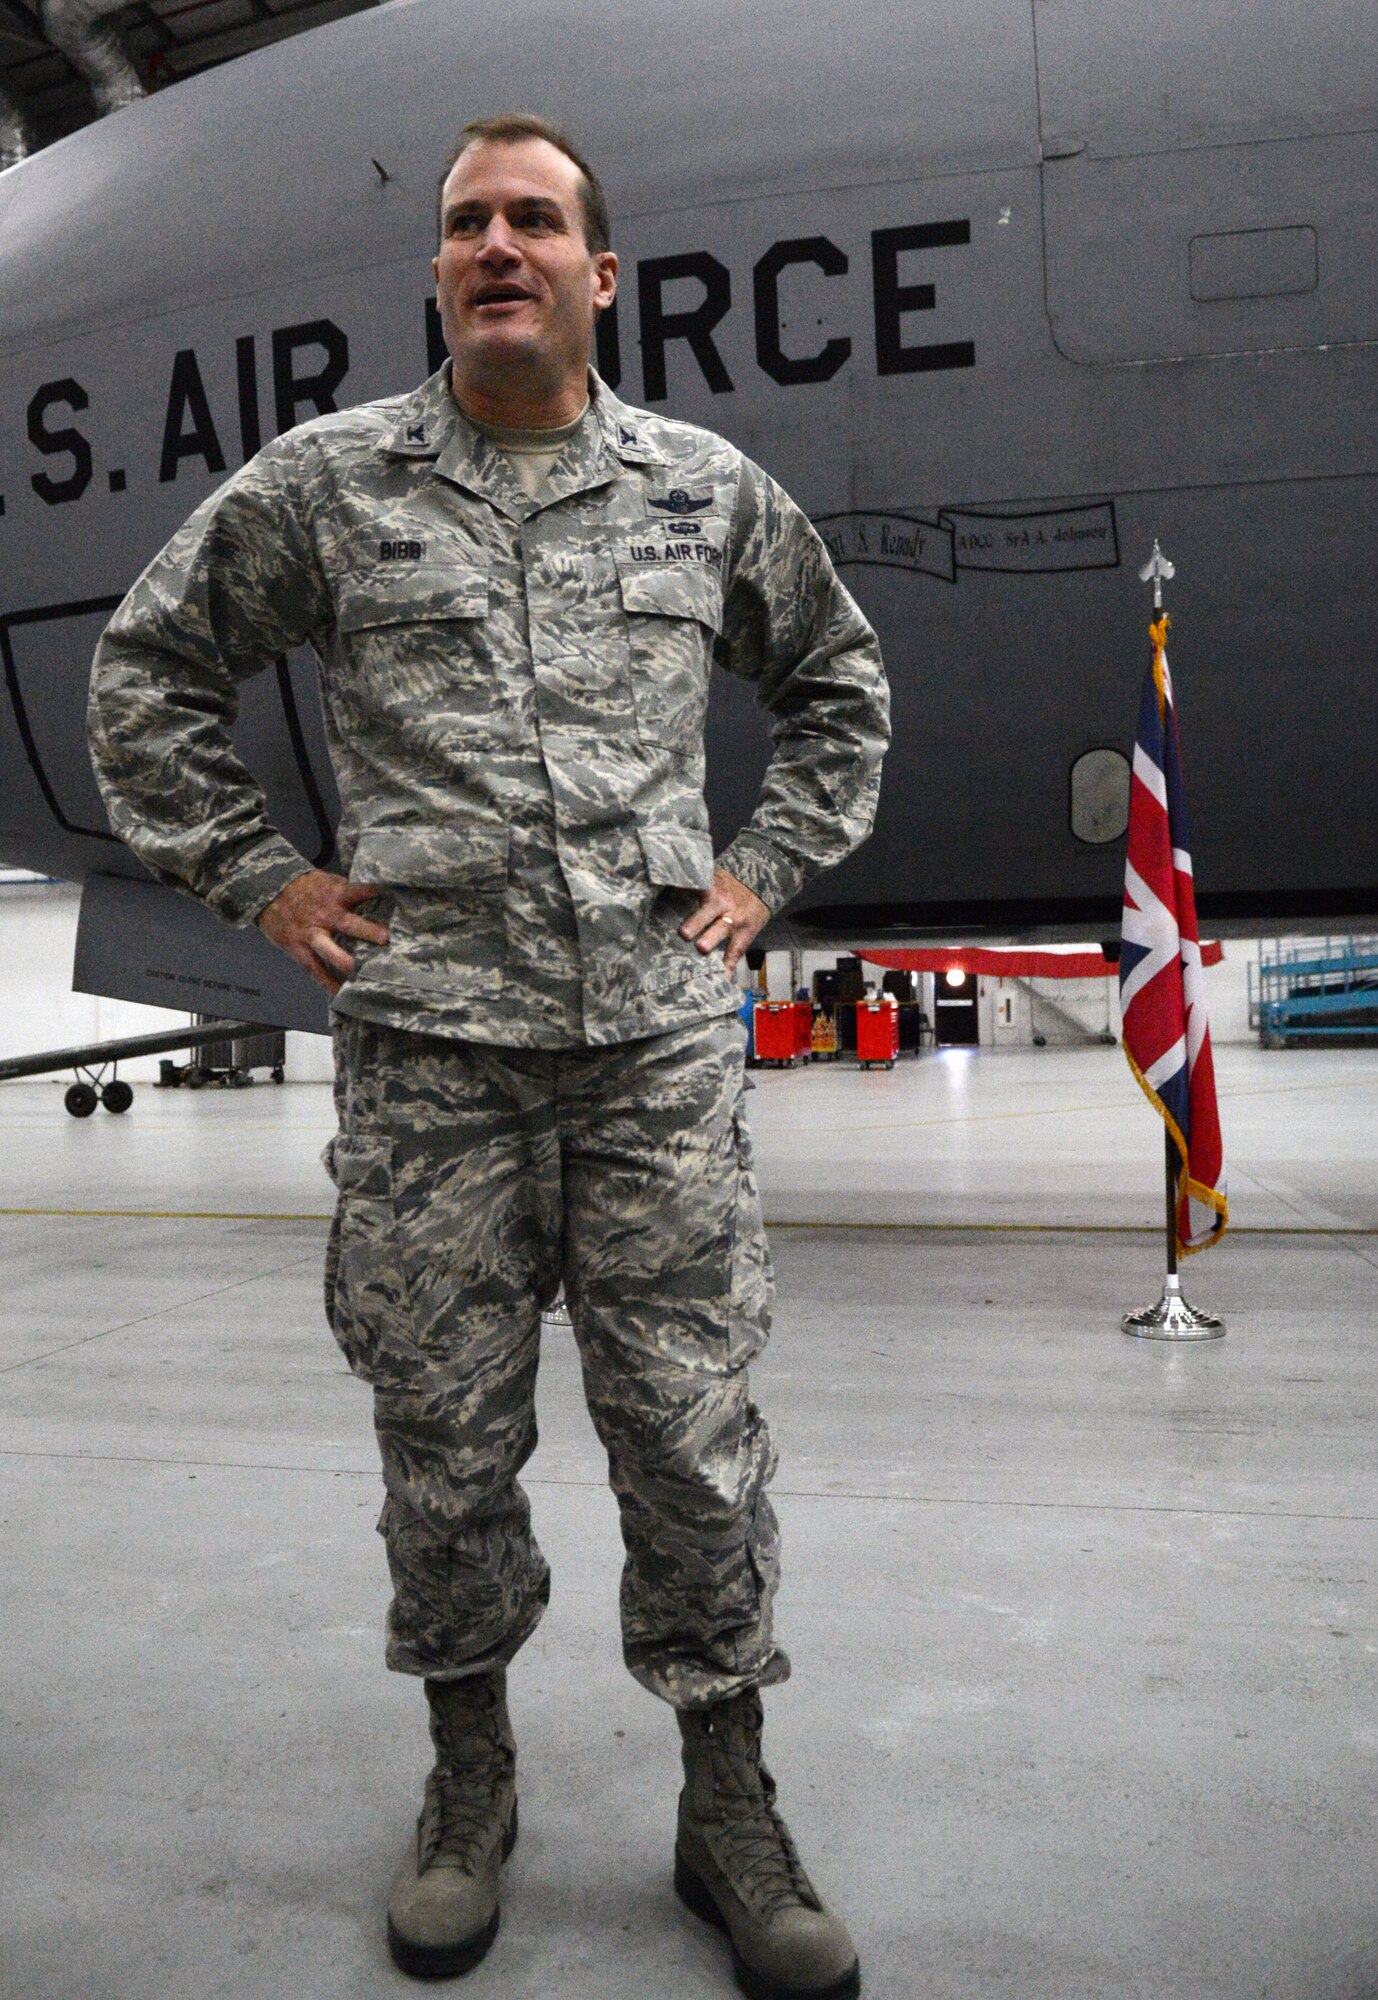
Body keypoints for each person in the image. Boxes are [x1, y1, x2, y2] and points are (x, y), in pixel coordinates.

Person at [88, 113, 889, 1999]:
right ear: (438, 274)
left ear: (602, 276)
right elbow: (145, 672)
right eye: (467, 226)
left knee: (692, 1444)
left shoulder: (705, 491)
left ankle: (728, 1805)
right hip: (433, 1058)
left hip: (651, 1066)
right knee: (443, 1450)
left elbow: (840, 691)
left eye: (536, 220)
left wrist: (763, 868)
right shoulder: (332, 488)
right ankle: (467, 1785)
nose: (498, 246)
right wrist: (263, 880)